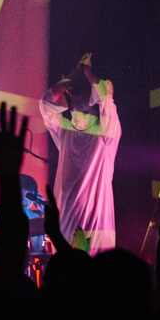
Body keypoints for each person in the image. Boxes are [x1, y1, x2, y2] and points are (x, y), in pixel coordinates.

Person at [39, 52, 120, 255]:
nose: (76, 110)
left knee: (94, 278)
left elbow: (105, 98)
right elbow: (46, 104)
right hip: (67, 219)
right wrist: (72, 77)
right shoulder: (66, 131)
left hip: (97, 224)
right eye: (74, 107)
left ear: (92, 108)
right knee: (68, 275)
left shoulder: (106, 133)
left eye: (82, 107)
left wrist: (86, 72)